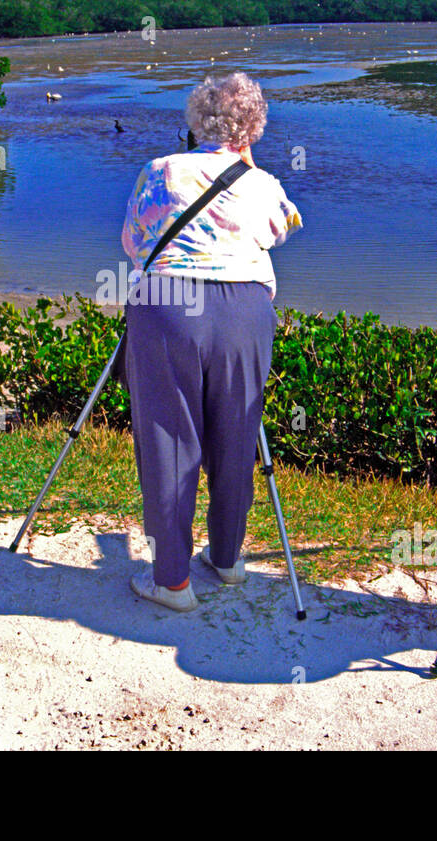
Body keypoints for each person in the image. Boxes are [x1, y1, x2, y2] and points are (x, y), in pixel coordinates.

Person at [120, 72, 302, 611]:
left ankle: (173, 581)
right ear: (255, 127)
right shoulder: (264, 183)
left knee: (170, 443)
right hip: (246, 310)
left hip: (170, 309)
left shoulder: (160, 171)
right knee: (237, 434)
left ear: (196, 121)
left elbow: (133, 243)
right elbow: (281, 229)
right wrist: (247, 167)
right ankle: (226, 558)